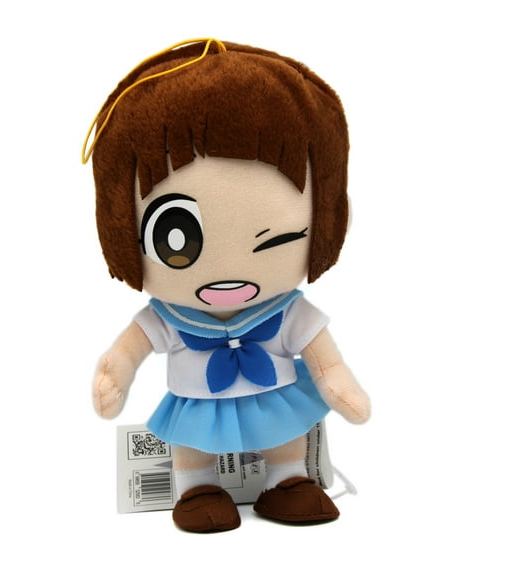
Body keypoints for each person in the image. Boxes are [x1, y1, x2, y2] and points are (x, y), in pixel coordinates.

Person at [86, 39, 371, 533]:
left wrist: (339, 387)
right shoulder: (169, 317)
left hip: (273, 399)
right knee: (192, 445)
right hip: (197, 404)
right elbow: (128, 352)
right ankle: (196, 488)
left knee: (284, 431)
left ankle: (287, 479)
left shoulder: (287, 311)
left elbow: (326, 361)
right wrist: (115, 376)